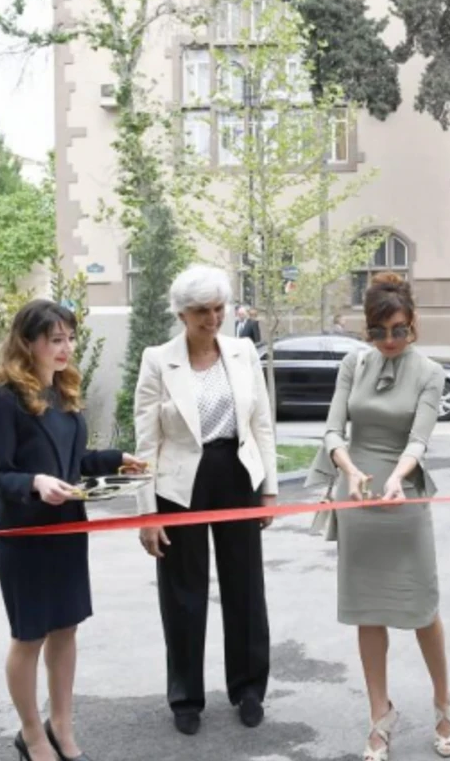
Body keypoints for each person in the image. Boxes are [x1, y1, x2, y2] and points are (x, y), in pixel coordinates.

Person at [0, 299, 144, 761]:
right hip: (25, 534)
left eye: (70, 338)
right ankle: (31, 735)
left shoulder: (64, 392)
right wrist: (34, 483)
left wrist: (114, 459)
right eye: (56, 339)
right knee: (29, 635)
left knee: (67, 629)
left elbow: (71, 465)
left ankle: (62, 728)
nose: (66, 347)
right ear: (27, 343)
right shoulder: (2, 396)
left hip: (67, 528)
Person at [304, 272, 450, 761]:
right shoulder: (353, 364)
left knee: (421, 609)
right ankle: (379, 716)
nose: (390, 341)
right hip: (359, 493)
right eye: (379, 331)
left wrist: (398, 475)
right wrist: (348, 469)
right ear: (366, 329)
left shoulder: (430, 372)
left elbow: (419, 437)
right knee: (367, 612)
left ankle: (442, 702)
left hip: (402, 493)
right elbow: (332, 431)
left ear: (412, 323)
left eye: (399, 330)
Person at [132, 264, 280, 736]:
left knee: (246, 588)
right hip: (179, 486)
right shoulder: (158, 359)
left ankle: (249, 688)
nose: (213, 319)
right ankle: (186, 698)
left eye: (219, 308)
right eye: (202, 312)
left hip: (237, 475)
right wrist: (147, 514)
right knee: (183, 593)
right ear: (182, 313)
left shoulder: (242, 353)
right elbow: (145, 442)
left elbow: (261, 423)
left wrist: (269, 488)